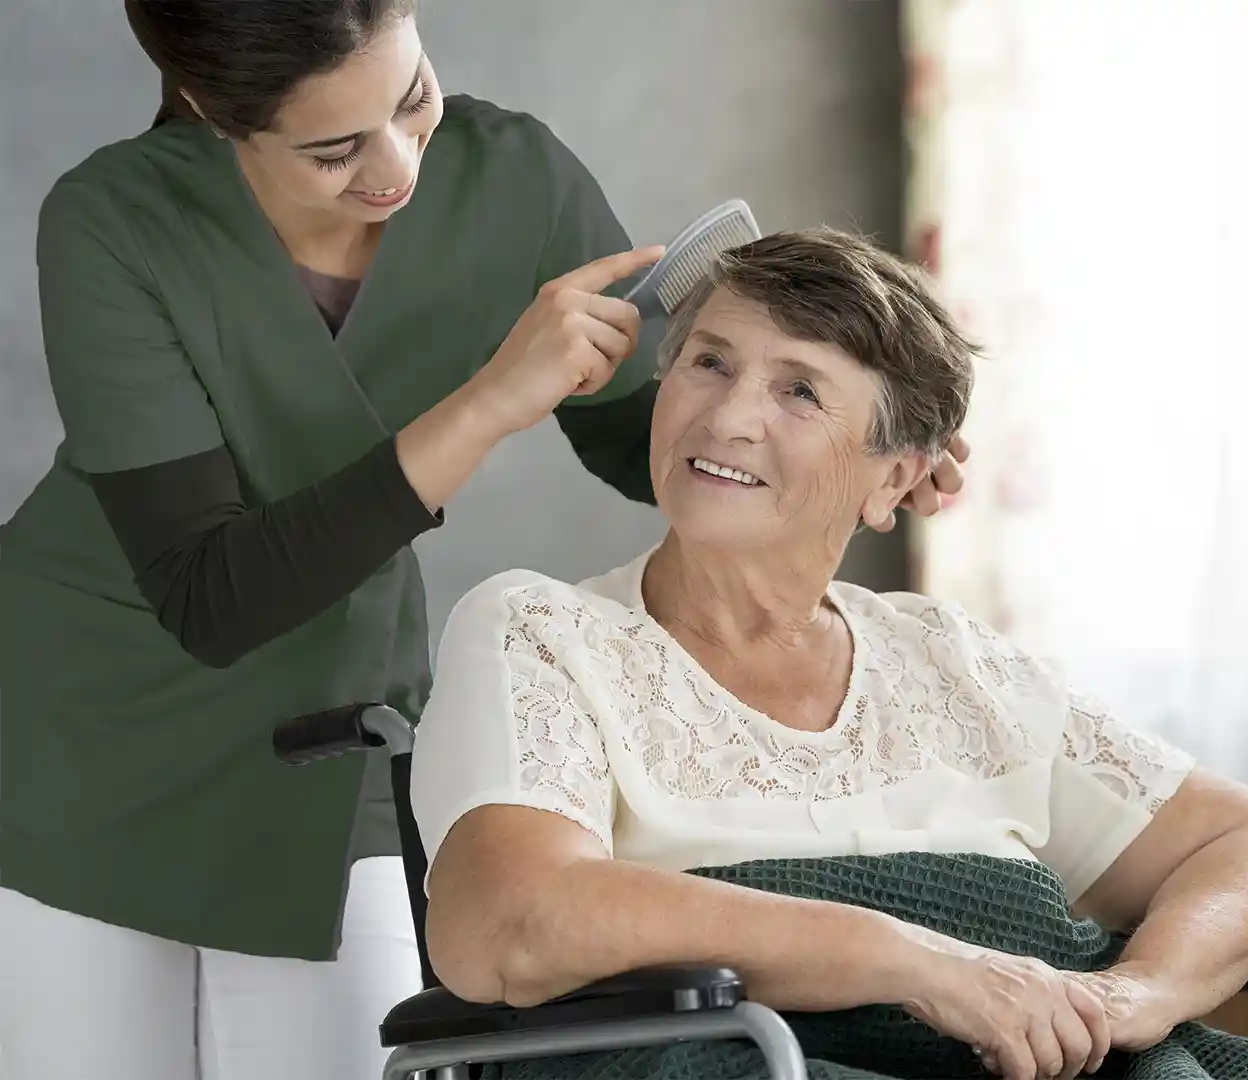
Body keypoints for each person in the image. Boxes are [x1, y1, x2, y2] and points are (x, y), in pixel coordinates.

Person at [0, 5, 966, 1079]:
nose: (399, 169)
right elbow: (207, 596)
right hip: (74, 741)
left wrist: (853, 448)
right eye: (334, 150)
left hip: (327, 737)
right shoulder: (113, 220)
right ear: (209, 111)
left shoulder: (517, 181)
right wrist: (491, 400)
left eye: (413, 98)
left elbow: (644, 439)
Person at [412, 228, 1248, 1080]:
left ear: (894, 474)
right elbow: (512, 921)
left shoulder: (950, 661)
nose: (727, 416)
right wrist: (910, 960)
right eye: (709, 362)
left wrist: (1141, 993)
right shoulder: (544, 633)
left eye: (800, 390)